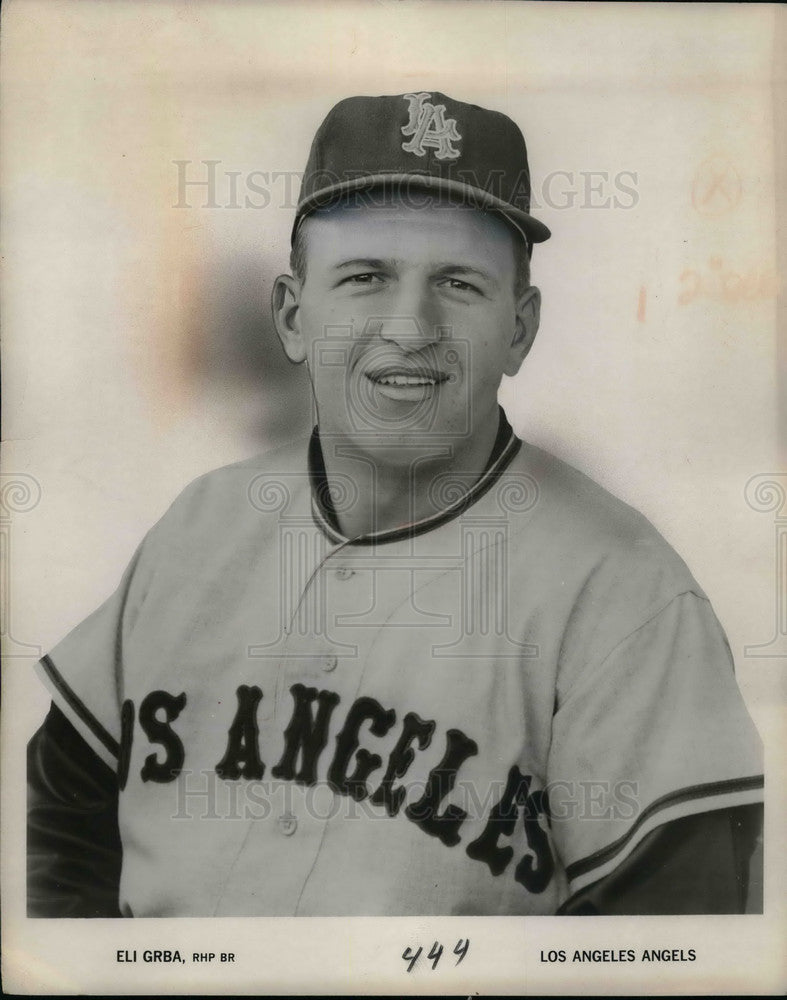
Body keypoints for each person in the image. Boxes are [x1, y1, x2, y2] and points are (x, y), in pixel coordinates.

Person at [28, 92, 763, 917]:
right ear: (293, 315)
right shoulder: (198, 526)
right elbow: (52, 831)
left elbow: (673, 950)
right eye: (365, 278)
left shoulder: (628, 598)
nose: (410, 327)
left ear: (519, 329)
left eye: (457, 283)